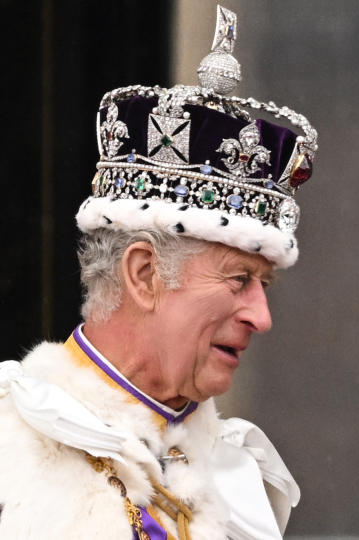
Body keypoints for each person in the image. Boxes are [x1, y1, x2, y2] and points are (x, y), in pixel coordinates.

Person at [0, 6, 317, 539]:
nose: (262, 317)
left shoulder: (240, 480)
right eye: (239, 279)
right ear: (144, 274)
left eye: (264, 285)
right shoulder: (10, 445)